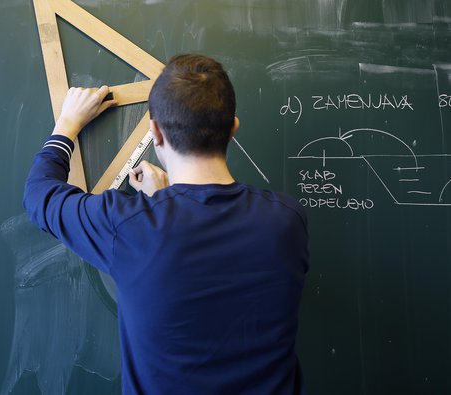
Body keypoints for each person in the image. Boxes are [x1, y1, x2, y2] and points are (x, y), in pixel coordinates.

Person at [23, 54, 309, 395]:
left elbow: (39, 194)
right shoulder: (287, 221)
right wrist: (169, 198)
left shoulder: (129, 227)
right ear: (232, 127)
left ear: (155, 132)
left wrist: (67, 124)